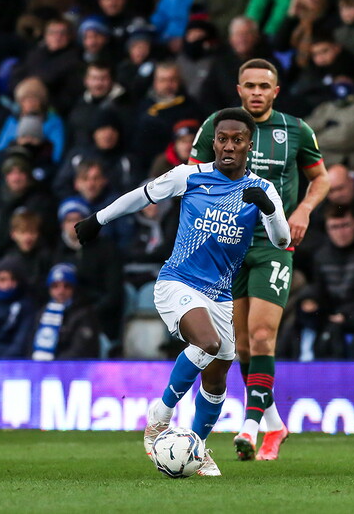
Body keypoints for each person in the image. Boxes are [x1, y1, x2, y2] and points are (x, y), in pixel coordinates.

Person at [75, 107, 291, 476]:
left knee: (218, 376)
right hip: (179, 282)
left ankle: (197, 446)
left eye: (237, 140)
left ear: (248, 146)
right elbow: (141, 196)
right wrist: (98, 219)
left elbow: (281, 239)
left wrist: (268, 209)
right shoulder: (188, 177)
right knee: (206, 344)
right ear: (214, 142)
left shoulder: (262, 189)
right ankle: (160, 415)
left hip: (221, 296)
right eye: (222, 139)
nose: (228, 146)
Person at [190, 58, 328, 461]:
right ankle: (274, 424)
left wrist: (302, 211)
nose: (255, 92)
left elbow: (322, 177)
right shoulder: (219, 125)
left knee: (264, 335)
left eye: (263, 86)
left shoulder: (296, 130)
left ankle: (249, 428)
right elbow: (193, 173)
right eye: (248, 85)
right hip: (227, 242)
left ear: (275, 92)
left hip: (273, 242)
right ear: (238, 89)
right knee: (242, 346)